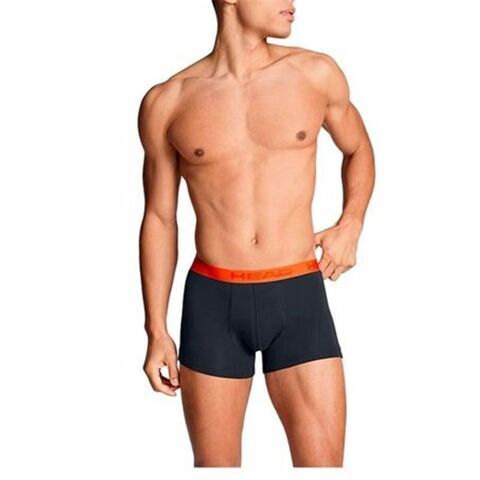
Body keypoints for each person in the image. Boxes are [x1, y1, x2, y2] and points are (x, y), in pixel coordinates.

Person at [137, 0, 375, 468]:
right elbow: (160, 218)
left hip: (298, 294)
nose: (292, 3)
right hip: (212, 303)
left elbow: (358, 149)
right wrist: (156, 328)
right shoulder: (168, 101)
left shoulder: (315, 74)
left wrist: (351, 223)